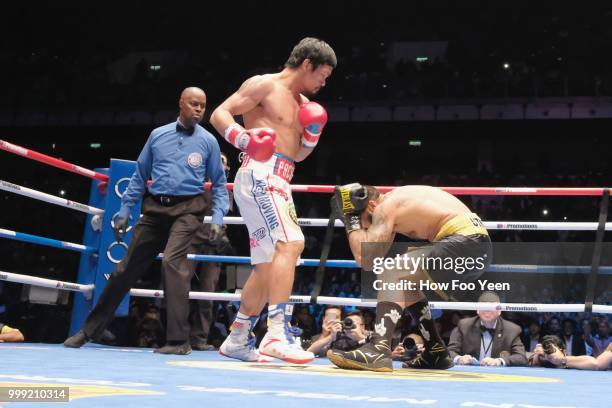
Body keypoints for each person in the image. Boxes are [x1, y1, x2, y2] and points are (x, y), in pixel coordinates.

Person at [64, 87, 229, 355]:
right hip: (155, 210)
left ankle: (178, 342)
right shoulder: (157, 135)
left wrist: (218, 219)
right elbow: (139, 176)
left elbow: (220, 185)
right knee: (123, 269)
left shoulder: (208, 141)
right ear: (181, 104)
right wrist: (124, 211)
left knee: (173, 263)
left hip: (189, 210)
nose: (199, 109)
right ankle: (88, 331)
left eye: (203, 105)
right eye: (194, 104)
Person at [210, 37, 336, 363]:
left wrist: (312, 135)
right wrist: (242, 138)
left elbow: (297, 154)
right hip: (259, 173)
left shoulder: (304, 103)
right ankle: (276, 332)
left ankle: (238, 337)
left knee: (268, 265)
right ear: (307, 64)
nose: (324, 82)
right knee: (291, 243)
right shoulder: (265, 85)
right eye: (322, 74)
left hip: (282, 177)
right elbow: (220, 113)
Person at [327, 184, 491, 372]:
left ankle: (378, 349)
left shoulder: (384, 207)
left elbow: (362, 256)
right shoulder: (396, 205)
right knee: (404, 279)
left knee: (392, 271)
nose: (366, 228)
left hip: (464, 243)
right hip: (473, 245)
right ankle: (436, 351)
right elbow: (371, 260)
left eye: (366, 222)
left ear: (371, 206)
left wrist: (351, 219)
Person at [187, 152, 234, 351]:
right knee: (178, 286)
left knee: (207, 294)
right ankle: (177, 336)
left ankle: (199, 338)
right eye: (218, 162)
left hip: (213, 245)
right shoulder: (195, 184)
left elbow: (224, 214)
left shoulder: (226, 189)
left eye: (224, 163)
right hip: (191, 239)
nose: (221, 166)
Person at [448, 291, 527, 366]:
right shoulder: (464, 325)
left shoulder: (512, 330)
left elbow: (521, 357)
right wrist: (459, 359)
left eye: (491, 306)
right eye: (483, 306)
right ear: (477, 310)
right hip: (468, 375)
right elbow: (449, 352)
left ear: (499, 310)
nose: (487, 310)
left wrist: (499, 361)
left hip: (498, 376)